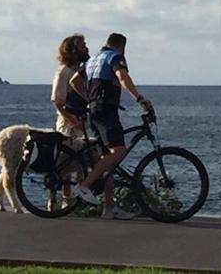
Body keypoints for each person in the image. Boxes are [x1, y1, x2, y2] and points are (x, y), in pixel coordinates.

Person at [69, 33, 152, 220]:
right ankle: (84, 185)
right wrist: (140, 99)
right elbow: (122, 78)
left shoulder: (93, 60)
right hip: (106, 111)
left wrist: (89, 98)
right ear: (121, 46)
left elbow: (74, 81)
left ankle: (109, 208)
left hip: (94, 111)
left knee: (107, 158)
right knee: (119, 151)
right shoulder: (115, 57)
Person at [51, 34, 90, 137]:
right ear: (74, 50)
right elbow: (59, 102)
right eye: (83, 46)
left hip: (82, 122)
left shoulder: (80, 72)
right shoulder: (63, 72)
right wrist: (75, 123)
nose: (86, 49)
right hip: (69, 128)